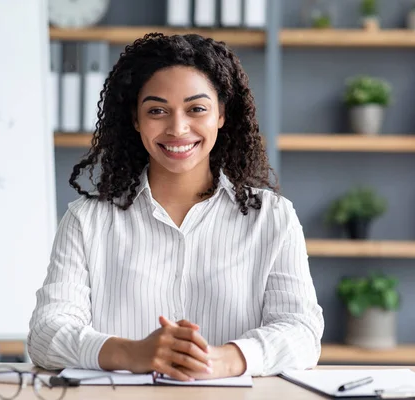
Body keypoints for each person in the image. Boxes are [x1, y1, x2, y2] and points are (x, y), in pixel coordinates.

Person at [28, 33, 324, 380]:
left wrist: (224, 359)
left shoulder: (272, 218)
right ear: (136, 120)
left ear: (221, 115)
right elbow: (46, 334)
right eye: (157, 111)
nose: (178, 128)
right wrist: (134, 353)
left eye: (196, 108)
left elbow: (302, 332)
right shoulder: (86, 220)